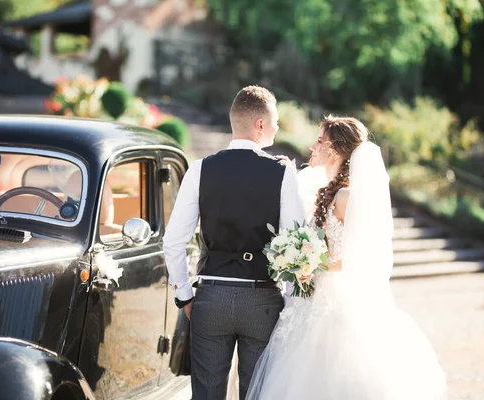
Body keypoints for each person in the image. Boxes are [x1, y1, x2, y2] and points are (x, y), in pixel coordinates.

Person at [246, 115, 447, 400]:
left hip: (334, 302)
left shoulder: (346, 197)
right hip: (311, 296)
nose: (312, 146)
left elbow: (357, 256)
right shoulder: (325, 190)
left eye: (320, 141)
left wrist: (310, 263)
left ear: (337, 150)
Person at [163, 85, 305, 400]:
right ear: (260, 125)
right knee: (256, 394)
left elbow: (173, 242)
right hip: (262, 301)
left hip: (211, 298)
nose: (278, 127)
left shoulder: (200, 169)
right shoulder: (282, 172)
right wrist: (291, 303)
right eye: (275, 121)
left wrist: (185, 297)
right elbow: (298, 244)